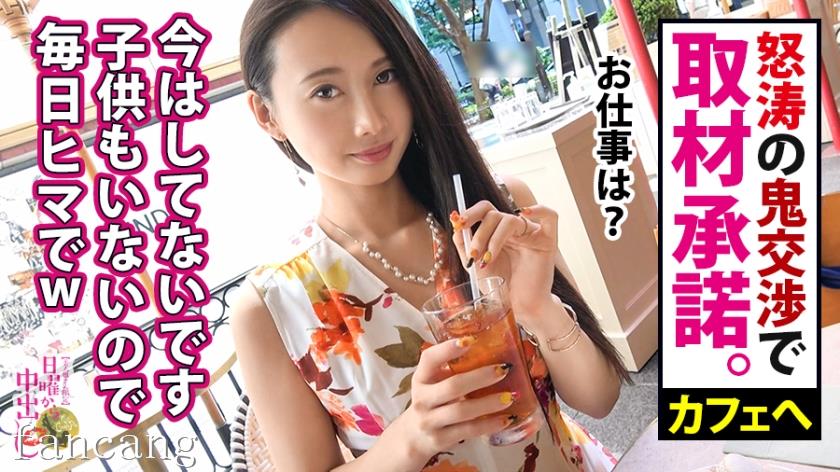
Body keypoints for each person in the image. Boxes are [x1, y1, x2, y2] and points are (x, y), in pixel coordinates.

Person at [231, 0, 631, 470]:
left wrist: (538, 308)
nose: (370, 121)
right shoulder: (274, 306)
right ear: (267, 114)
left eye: (385, 76)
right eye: (325, 91)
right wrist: (412, 436)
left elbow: (601, 399)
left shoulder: (493, 212)